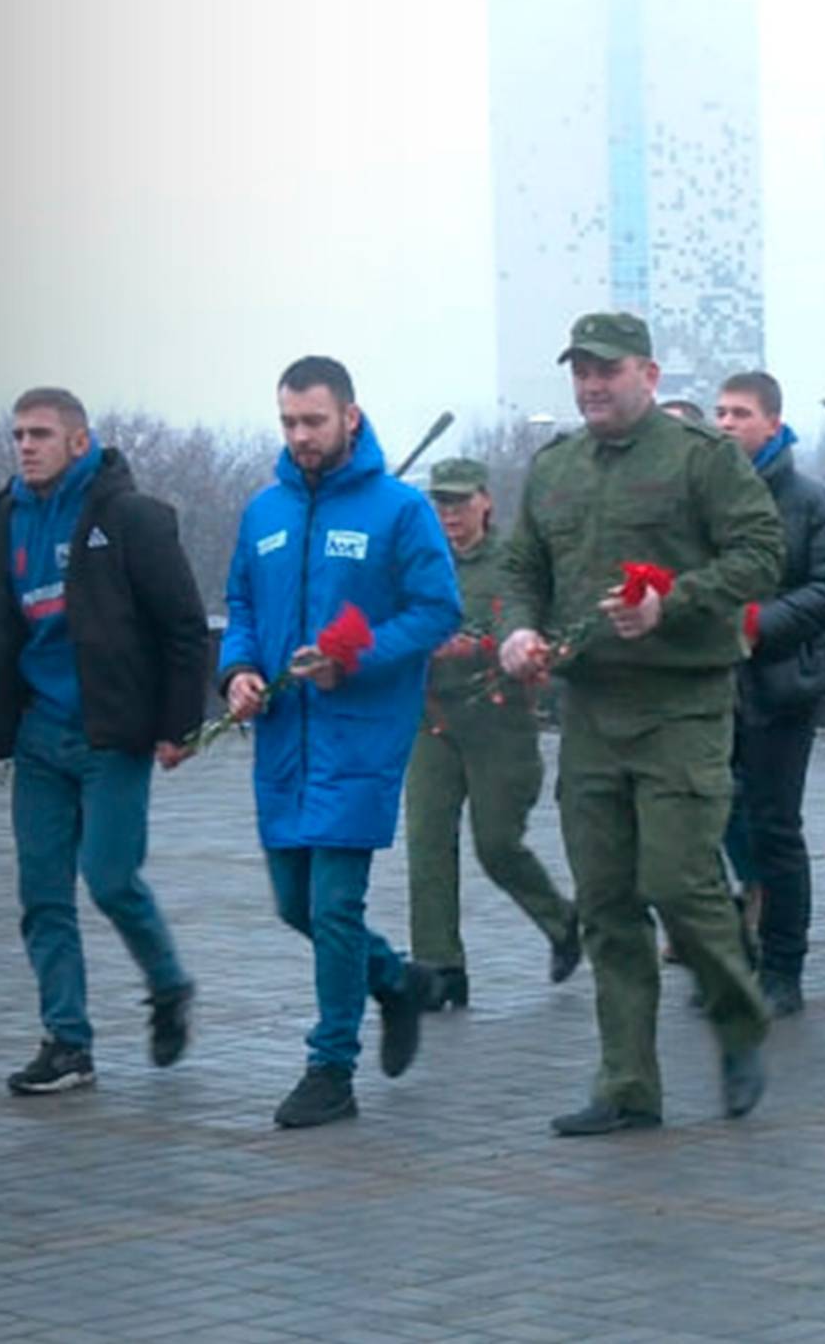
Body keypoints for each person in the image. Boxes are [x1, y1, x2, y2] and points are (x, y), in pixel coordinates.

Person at [496, 312, 783, 1136]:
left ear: (648, 377)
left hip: (680, 706)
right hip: (589, 709)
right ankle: (627, 1084)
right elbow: (521, 566)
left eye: (607, 370)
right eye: (580, 370)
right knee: (606, 903)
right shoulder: (554, 470)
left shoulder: (701, 460)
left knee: (676, 882)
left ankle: (738, 1017)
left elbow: (761, 551)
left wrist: (674, 603)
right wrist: (518, 628)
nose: (591, 385)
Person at [215, 356, 461, 1128]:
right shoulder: (263, 513)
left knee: (333, 904)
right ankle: (394, 980)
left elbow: (435, 611)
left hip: (358, 735)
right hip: (285, 737)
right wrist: (239, 670)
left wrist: (353, 657)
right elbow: (242, 604)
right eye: (288, 421)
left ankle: (331, 1068)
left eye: (313, 421)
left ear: (350, 417)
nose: (300, 436)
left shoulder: (399, 511)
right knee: (296, 904)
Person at [0, 386, 207, 1096]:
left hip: (111, 735)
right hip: (39, 736)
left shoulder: (129, 517)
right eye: (17, 435)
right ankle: (68, 1043)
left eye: (40, 434)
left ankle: (168, 985)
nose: (25, 447)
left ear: (77, 440)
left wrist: (177, 726)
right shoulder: (5, 518)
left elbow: (185, 626)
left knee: (109, 878)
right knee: (42, 895)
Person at [405, 458, 580, 1013]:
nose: (450, 514)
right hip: (432, 722)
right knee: (427, 843)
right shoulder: (417, 560)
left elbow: (540, 630)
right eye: (441, 503)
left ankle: (561, 921)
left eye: (460, 502)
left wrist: (486, 649)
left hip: (501, 726)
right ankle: (438, 967)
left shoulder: (513, 563)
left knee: (497, 844)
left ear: (485, 501)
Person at [713, 371, 825, 1017]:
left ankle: (783, 967)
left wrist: (759, 624)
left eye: (740, 413)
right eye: (719, 412)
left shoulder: (809, 500)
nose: (725, 424)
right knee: (702, 822)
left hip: (779, 687)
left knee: (775, 828)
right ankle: (727, 955)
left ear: (773, 423)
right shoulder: (703, 496)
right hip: (707, 687)